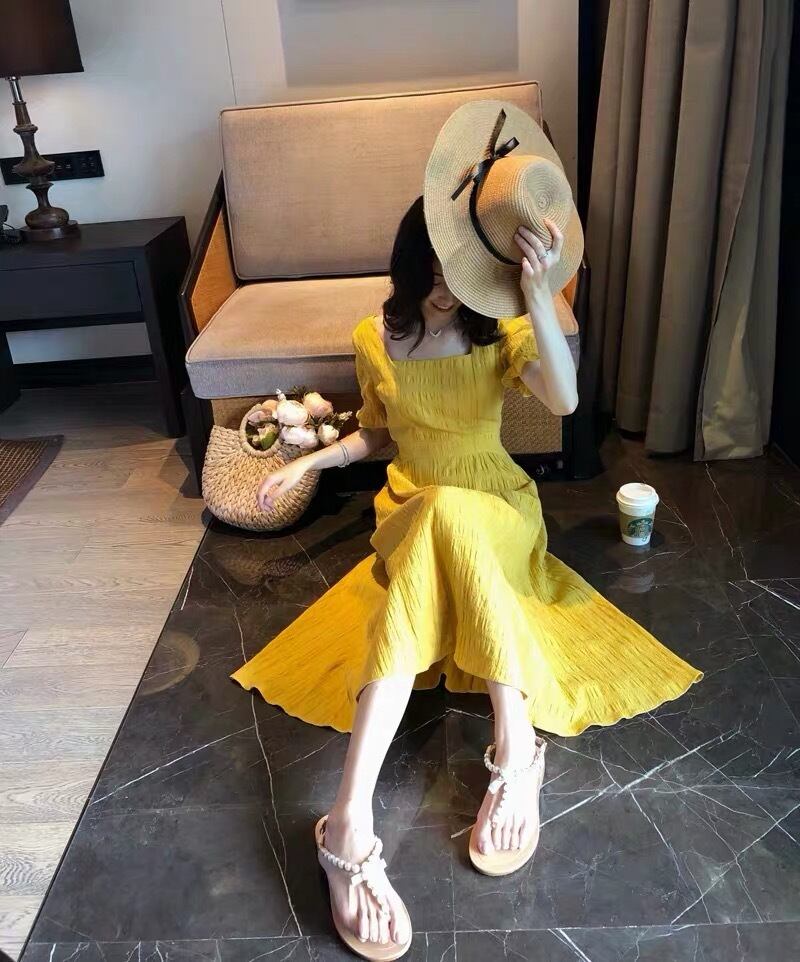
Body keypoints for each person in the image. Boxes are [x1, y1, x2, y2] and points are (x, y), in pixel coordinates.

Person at [231, 102, 701, 961]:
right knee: (435, 517)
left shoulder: (504, 330)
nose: (449, 286)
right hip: (412, 506)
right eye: (439, 268)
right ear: (411, 260)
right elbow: (380, 435)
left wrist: (537, 294)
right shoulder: (373, 336)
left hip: (497, 506)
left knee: (450, 521)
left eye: (468, 272)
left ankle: (358, 816)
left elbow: (563, 401)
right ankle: (492, 765)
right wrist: (313, 463)